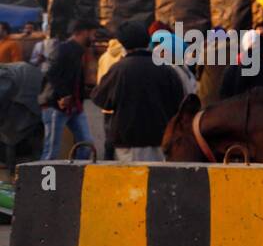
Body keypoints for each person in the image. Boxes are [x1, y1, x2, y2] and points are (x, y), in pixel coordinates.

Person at [91, 20, 184, 162]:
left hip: (128, 140)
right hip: (160, 138)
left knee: (130, 182)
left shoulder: (119, 69)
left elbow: (101, 99)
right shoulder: (166, 68)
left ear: (124, 44)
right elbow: (179, 101)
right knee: (158, 180)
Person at [39, 19, 95, 160]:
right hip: (56, 106)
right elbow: (51, 74)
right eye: (91, 33)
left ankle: (75, 177)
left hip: (74, 106)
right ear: (81, 33)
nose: (93, 38)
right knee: (51, 152)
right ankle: (42, 182)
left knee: (86, 145)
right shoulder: (63, 49)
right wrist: (63, 96)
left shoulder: (79, 51)